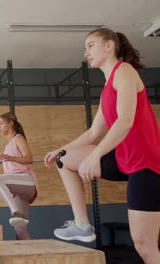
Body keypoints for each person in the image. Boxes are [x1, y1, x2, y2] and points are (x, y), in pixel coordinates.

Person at [44, 28, 160, 264]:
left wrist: (96, 155)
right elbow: (94, 132)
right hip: (124, 161)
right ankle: (82, 225)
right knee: (64, 159)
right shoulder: (108, 86)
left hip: (146, 165)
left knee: (144, 245)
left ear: (109, 46)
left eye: (90, 45)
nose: (86, 52)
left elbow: (125, 121)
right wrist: (60, 149)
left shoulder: (124, 72)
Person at [0, 112, 38, 240]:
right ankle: (31, 257)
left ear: (11, 123)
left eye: (1, 123)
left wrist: (10, 158)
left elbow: (29, 159)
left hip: (26, 181)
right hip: (19, 187)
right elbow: (10, 173)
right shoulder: (8, 145)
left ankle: (15, 212)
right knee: (20, 230)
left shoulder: (18, 138)